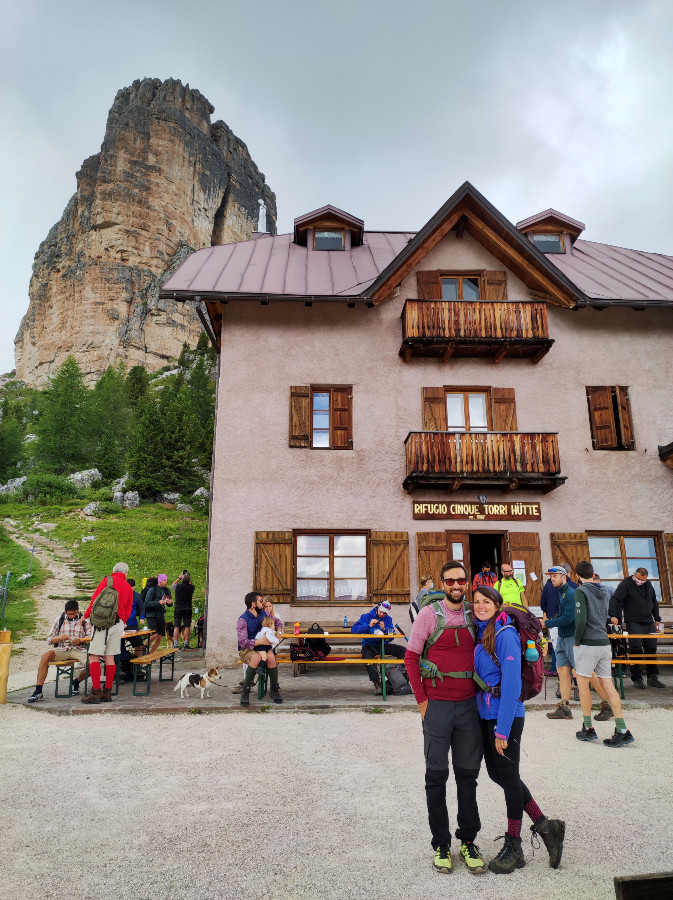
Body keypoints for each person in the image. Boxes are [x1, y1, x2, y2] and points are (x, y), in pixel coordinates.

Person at [472, 584, 565, 872]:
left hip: (505, 716)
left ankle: (514, 844)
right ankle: (545, 825)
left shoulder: (505, 634)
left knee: (510, 778)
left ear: (497, 604)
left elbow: (512, 684)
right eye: (476, 601)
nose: (480, 606)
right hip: (486, 714)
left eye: (486, 601)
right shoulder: (481, 631)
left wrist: (503, 729)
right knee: (497, 774)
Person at [404, 561, 486, 875]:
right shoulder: (429, 614)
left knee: (468, 776)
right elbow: (411, 657)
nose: (456, 585)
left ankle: (467, 840)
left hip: (468, 706)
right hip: (436, 706)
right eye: (450, 580)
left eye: (461, 580)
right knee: (436, 777)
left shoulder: (473, 613)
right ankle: (441, 843)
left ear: (467, 582)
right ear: (442, 582)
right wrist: (422, 702)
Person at [573, 561, 635, 747]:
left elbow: (581, 619)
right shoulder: (604, 591)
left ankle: (588, 728)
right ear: (593, 574)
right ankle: (622, 729)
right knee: (607, 684)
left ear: (577, 576)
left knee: (583, 683)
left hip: (588, 643)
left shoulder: (580, 591)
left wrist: (576, 641)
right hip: (603, 642)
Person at [81, 563, 133, 704]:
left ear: (113, 571)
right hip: (118, 624)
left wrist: (85, 616)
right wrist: (122, 621)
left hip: (102, 623)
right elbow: (128, 610)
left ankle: (96, 692)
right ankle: (107, 692)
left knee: (94, 656)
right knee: (110, 657)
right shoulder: (129, 587)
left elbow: (95, 600)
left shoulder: (107, 580)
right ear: (126, 573)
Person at [609, 567, 664, 689]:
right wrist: (613, 614)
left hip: (648, 622)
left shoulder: (648, 585)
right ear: (635, 575)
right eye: (638, 578)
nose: (639, 581)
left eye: (642, 580)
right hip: (634, 621)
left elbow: (654, 602)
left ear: (646, 578)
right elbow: (615, 599)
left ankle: (652, 677)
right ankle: (637, 678)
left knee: (651, 649)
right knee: (636, 649)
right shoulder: (626, 584)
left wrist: (657, 618)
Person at [28, 600, 91, 702]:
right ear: (65, 612)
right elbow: (49, 639)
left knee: (92, 664)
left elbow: (90, 636)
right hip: (63, 649)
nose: (72, 616)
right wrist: (60, 637)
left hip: (79, 649)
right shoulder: (59, 620)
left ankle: (76, 681)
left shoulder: (85, 621)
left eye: (74, 613)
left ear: (78, 610)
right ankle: (38, 691)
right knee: (45, 656)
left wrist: (81, 640)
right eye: (70, 614)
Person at [236, 592, 283, 705]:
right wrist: (260, 641)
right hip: (248, 649)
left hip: (264, 647)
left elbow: (277, 621)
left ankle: (274, 690)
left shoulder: (263, 613)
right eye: (260, 601)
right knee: (256, 657)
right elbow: (243, 642)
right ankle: (245, 692)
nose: (263, 603)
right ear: (253, 604)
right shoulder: (243, 619)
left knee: (271, 657)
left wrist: (278, 633)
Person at [351, 600, 407, 694]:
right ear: (377, 608)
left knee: (403, 651)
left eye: (384, 613)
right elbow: (354, 630)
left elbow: (391, 637)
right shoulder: (366, 617)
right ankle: (377, 683)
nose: (382, 614)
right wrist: (368, 626)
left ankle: (400, 676)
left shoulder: (388, 619)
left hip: (383, 645)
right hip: (369, 645)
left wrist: (385, 631)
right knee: (367, 657)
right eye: (381, 612)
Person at [540, 565, 577, 676]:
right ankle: (563, 691)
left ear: (564, 577)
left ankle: (602, 692)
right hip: (561, 633)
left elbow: (567, 618)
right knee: (562, 670)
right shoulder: (561, 591)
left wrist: (546, 623)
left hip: (571, 635)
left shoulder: (571, 593)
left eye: (555, 576)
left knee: (578, 670)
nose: (552, 579)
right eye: (551, 577)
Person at [145, 574, 173, 654]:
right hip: (151, 615)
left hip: (161, 615)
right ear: (160, 581)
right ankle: (143, 649)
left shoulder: (167, 590)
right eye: (164, 580)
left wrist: (170, 603)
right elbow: (146, 603)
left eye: (166, 580)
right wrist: (158, 602)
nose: (166, 582)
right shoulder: (152, 590)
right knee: (154, 634)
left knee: (160, 636)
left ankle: (151, 653)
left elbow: (169, 603)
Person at [172, 571, 195, 649]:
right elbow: (192, 584)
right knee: (187, 626)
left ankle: (175, 643)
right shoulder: (191, 587)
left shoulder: (177, 586)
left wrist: (179, 578)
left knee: (177, 626)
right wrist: (189, 579)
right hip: (188, 608)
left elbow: (172, 585)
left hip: (178, 608)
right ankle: (186, 643)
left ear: (182, 579)